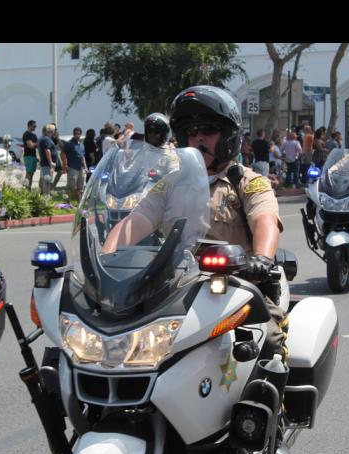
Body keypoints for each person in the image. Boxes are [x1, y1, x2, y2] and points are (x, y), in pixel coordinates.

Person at [105, 86, 288, 364]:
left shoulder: (247, 182)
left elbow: (265, 220)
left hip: (236, 288)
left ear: (228, 137)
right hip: (174, 289)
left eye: (209, 130)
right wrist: (106, 259)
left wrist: (261, 259)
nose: (199, 137)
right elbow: (135, 222)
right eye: (192, 132)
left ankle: (274, 388)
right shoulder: (171, 184)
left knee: (269, 339)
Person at [62, 127, 87, 206]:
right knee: (71, 186)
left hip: (80, 168)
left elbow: (82, 156)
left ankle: (80, 203)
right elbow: (63, 154)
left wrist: (85, 167)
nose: (77, 135)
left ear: (80, 134)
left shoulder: (81, 144)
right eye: (75, 134)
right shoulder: (69, 144)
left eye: (78, 134)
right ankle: (67, 203)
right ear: (73, 134)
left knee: (80, 186)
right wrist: (65, 165)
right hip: (72, 167)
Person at [38, 123, 58, 195]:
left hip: (47, 163)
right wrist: (50, 162)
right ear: (52, 131)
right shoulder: (46, 139)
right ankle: (46, 196)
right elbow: (47, 150)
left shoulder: (46, 138)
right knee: (47, 180)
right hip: (47, 164)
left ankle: (47, 195)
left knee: (48, 181)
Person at [22, 120, 38, 189]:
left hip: (34, 155)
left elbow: (35, 145)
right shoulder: (26, 134)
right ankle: (26, 189)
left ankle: (29, 188)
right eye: (34, 126)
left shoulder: (34, 135)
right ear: (29, 125)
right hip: (28, 156)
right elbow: (30, 145)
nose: (35, 127)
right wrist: (36, 144)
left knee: (32, 173)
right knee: (28, 173)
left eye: (36, 126)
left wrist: (34, 144)